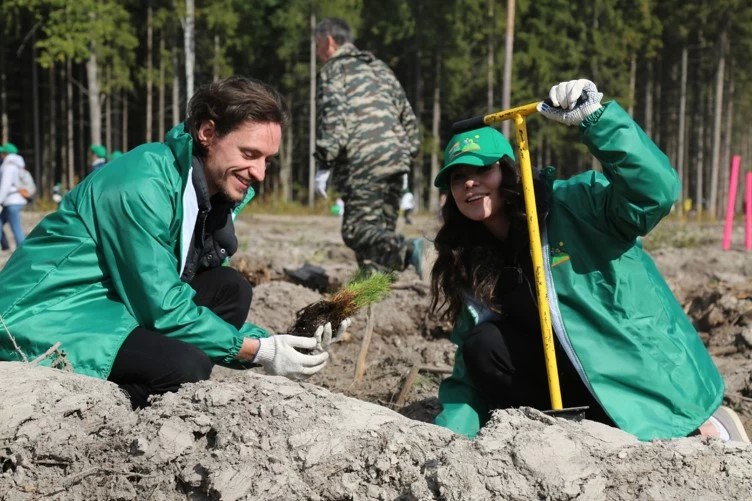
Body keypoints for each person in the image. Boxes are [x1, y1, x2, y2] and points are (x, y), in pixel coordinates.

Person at [429, 79, 748, 443]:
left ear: (508, 171)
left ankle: (705, 428)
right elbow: (468, 373)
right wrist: (448, 440)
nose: (470, 184)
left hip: (634, 364)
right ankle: (572, 438)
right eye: (458, 178)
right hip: (571, 382)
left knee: (658, 428)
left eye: (482, 170)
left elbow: (654, 193)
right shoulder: (469, 260)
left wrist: (597, 121)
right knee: (483, 346)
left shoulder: (575, 204)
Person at [0, 76, 342, 409]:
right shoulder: (142, 184)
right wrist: (260, 351)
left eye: (267, 159)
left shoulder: (205, 193)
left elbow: (176, 294)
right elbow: (162, 304)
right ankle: (102, 409)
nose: (260, 173)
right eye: (250, 153)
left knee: (230, 288)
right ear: (207, 133)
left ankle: (155, 378)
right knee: (184, 367)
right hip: (46, 314)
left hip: (111, 303)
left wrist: (283, 342)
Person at [314, 17, 424, 277]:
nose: (318, 53)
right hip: (397, 159)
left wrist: (324, 162)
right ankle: (375, 288)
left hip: (362, 162)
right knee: (380, 234)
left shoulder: (334, 69)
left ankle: (413, 250)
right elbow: (407, 115)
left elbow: (333, 116)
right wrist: (408, 154)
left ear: (329, 41)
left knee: (356, 230)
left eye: (317, 45)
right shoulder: (380, 68)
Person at [0, 142, 28, 251]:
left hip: (12, 201)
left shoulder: (9, 167)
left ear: (6, 153)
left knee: (16, 227)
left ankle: (22, 250)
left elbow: (5, 185)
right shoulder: (18, 165)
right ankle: (6, 246)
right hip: (16, 200)